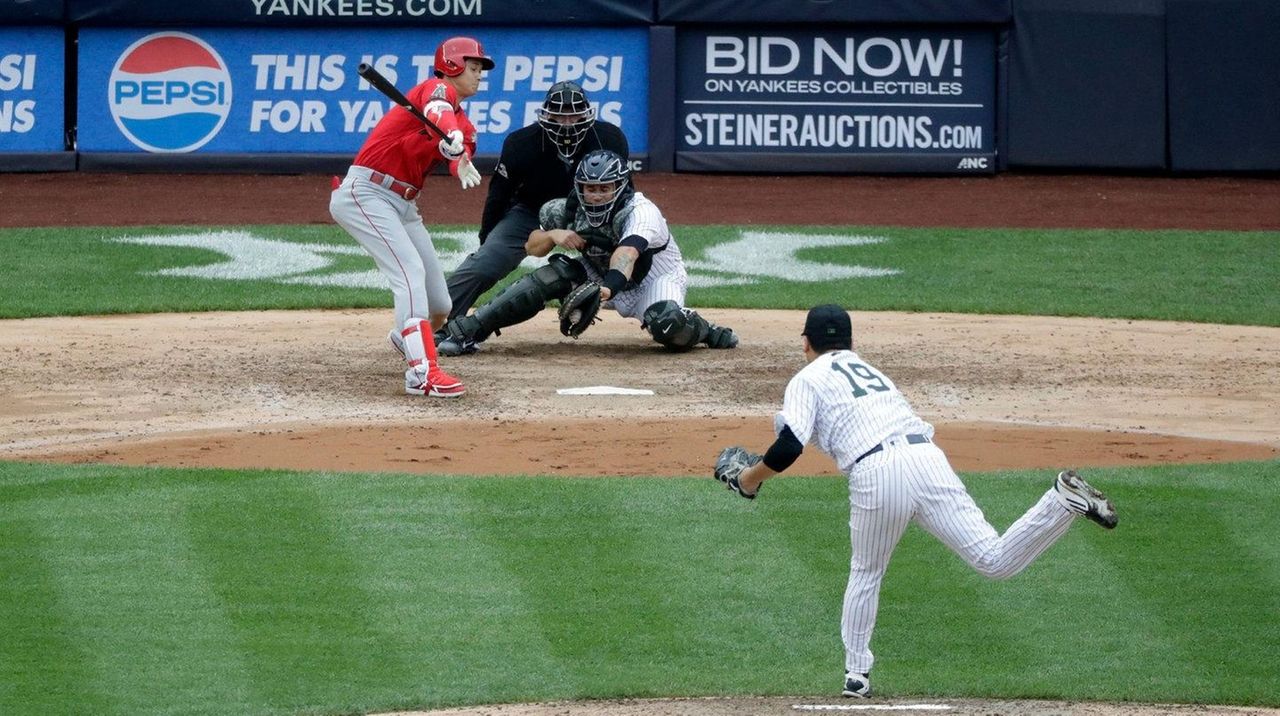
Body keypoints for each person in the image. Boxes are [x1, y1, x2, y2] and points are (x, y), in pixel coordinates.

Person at [713, 304, 1117, 698]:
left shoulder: (807, 378)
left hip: (877, 471)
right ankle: (1060, 501)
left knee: (866, 572)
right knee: (993, 560)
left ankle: (857, 675)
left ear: (805, 342)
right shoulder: (873, 372)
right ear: (850, 342)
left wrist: (748, 481)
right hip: (926, 458)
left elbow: (788, 448)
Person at [442, 149, 738, 352]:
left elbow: (627, 255)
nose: (595, 196)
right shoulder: (566, 209)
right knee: (548, 276)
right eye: (589, 188)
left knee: (668, 326)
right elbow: (531, 248)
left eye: (604, 188)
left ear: (620, 187)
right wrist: (552, 235)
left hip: (654, 281)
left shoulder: (642, 211)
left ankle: (703, 329)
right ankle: (469, 330)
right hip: (597, 275)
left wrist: (605, 291)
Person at [329, 36, 494, 397]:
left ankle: (405, 336)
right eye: (474, 66)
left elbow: (459, 151)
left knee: (440, 304)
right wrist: (446, 133)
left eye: (481, 68)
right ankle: (422, 373)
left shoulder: (464, 123)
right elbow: (439, 111)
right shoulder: (436, 90)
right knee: (409, 273)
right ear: (451, 65)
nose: (479, 73)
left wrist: (458, 156)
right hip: (366, 193)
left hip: (403, 204)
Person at [436, 80, 629, 356]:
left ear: (587, 114)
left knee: (624, 264)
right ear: (546, 115)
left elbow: (624, 190)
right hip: (529, 213)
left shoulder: (610, 138)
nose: (566, 122)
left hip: (592, 215)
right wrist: (487, 240)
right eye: (559, 115)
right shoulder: (520, 143)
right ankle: (439, 323)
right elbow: (498, 196)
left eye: (573, 114)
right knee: (485, 264)